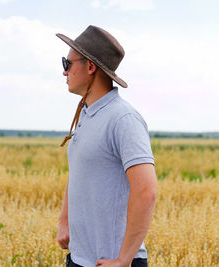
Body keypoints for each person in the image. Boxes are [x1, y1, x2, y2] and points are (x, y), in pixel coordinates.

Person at [56, 25, 157, 267]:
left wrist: (124, 260)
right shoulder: (87, 114)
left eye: (67, 63)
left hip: (110, 263)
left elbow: (146, 191)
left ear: (90, 66)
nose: (64, 72)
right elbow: (80, 171)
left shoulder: (123, 119)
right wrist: (64, 219)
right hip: (80, 259)